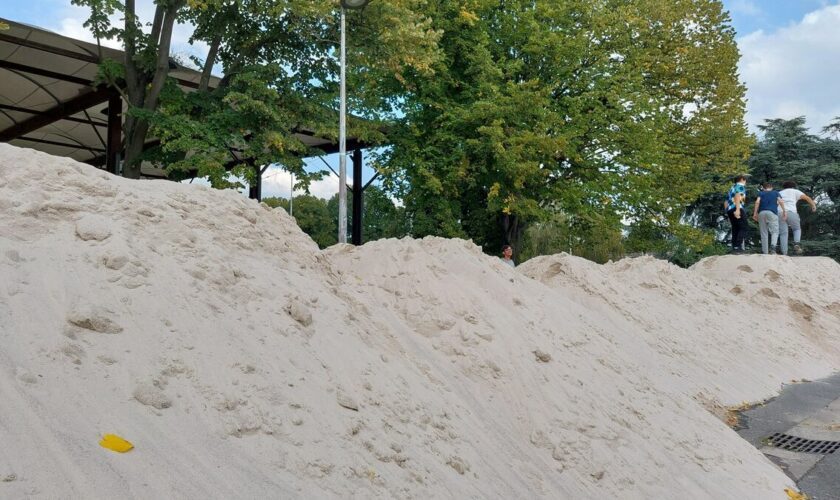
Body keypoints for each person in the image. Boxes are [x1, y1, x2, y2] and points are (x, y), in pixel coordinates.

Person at [778, 180, 817, 255]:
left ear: (784, 187)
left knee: (783, 233)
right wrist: (813, 205)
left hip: (780, 212)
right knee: (796, 229)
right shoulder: (795, 191)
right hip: (791, 212)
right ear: (793, 186)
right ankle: (796, 243)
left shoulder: (780, 192)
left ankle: (784, 253)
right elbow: (807, 198)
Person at [751, 181, 786, 255]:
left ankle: (765, 252)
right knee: (775, 231)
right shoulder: (775, 193)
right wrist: (784, 211)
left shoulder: (761, 193)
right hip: (772, 213)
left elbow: (757, 202)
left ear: (763, 188)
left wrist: (755, 213)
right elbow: (781, 201)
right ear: (771, 187)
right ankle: (773, 249)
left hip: (761, 213)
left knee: (763, 232)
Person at [725, 175, 749, 253]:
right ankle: (738, 246)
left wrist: (728, 212)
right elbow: (737, 196)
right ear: (742, 179)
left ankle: (734, 247)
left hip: (730, 209)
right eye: (745, 180)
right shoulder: (740, 186)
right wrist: (738, 210)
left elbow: (725, 202)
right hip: (737, 208)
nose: (746, 182)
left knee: (735, 228)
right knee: (743, 227)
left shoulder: (732, 187)